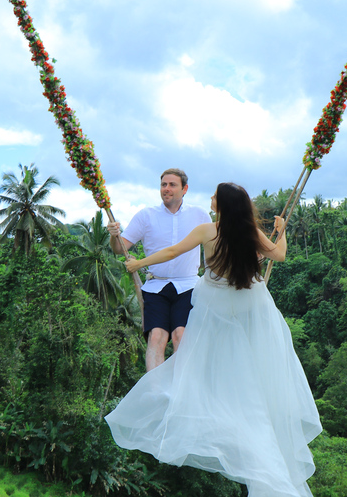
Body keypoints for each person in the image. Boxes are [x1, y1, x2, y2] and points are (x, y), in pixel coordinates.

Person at [105, 182, 322, 497]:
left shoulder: (208, 230)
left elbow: (172, 251)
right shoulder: (250, 232)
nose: (210, 200)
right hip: (251, 303)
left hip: (216, 304)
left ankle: (202, 402)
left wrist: (140, 263)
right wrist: (282, 230)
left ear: (222, 205)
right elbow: (280, 254)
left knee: (203, 359)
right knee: (248, 370)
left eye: (214, 197)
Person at [107, 168, 211, 372]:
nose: (167, 189)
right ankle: (156, 392)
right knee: (156, 336)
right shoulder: (145, 216)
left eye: (172, 185)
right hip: (155, 286)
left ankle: (181, 389)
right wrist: (113, 235)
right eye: (163, 185)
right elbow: (120, 248)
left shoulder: (199, 215)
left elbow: (214, 247)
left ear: (185, 189)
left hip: (188, 285)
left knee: (180, 334)